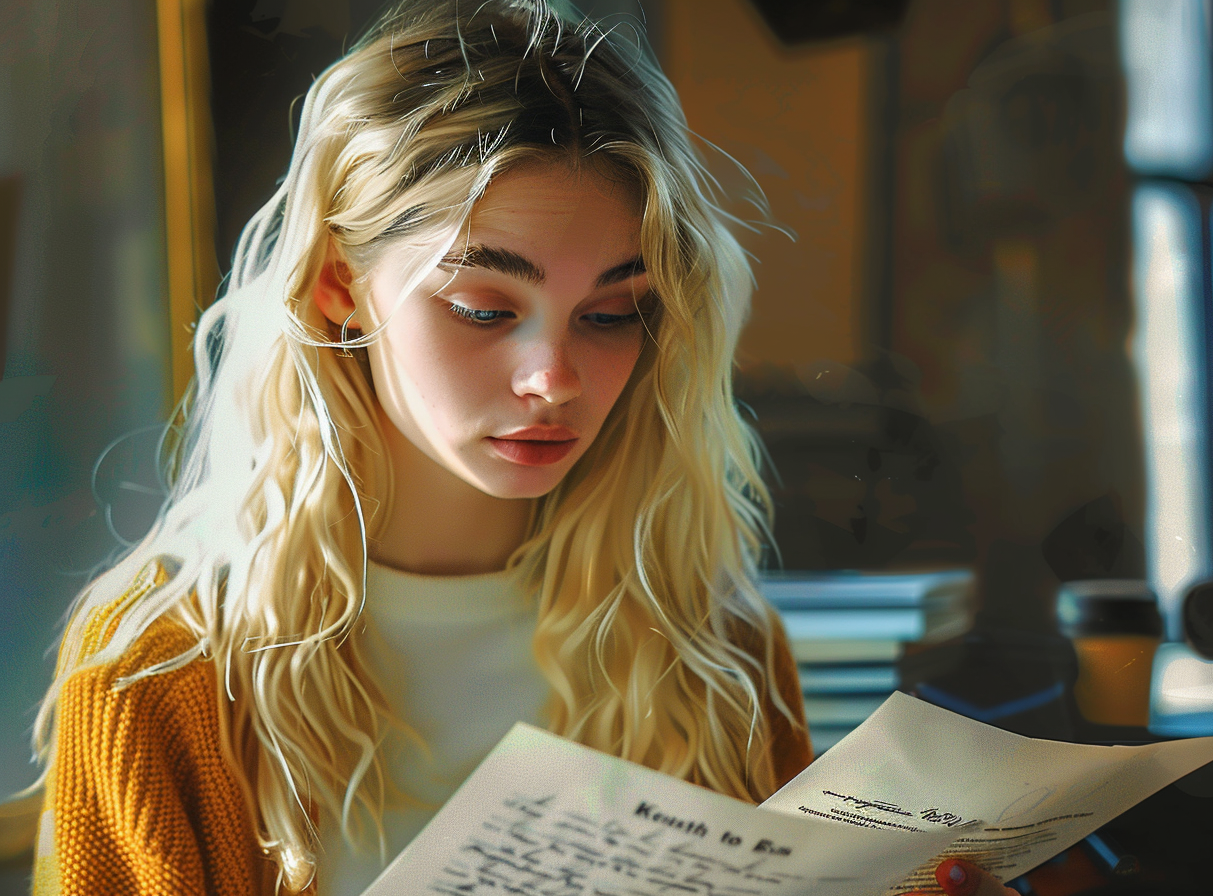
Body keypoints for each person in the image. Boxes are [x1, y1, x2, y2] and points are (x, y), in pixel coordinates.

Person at [27, 1, 1016, 894]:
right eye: (483, 307)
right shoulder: (158, 673)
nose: (555, 376)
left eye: (613, 311)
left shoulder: (711, 646)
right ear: (338, 286)